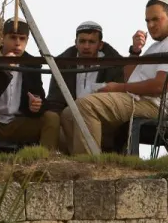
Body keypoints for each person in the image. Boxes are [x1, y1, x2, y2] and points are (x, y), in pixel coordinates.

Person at [62, 0, 168, 155]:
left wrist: (119, 87)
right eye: (147, 21)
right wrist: (135, 50)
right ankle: (98, 158)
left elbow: (159, 86)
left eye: (156, 19)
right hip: (138, 99)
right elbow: (129, 76)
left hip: (154, 105)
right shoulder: (157, 46)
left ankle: (89, 166)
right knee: (69, 113)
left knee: (86, 105)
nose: (150, 25)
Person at [0, 19, 60, 152]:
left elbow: (41, 99)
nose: (17, 43)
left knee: (51, 118)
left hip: (19, 121)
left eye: (22, 39)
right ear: (2, 38)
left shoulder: (32, 63)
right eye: (13, 38)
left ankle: (44, 163)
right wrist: (5, 72)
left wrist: (36, 105)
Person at [45, 20, 127, 150]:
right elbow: (55, 101)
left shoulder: (114, 65)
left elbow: (118, 101)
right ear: (76, 43)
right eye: (82, 41)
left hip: (103, 123)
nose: (86, 46)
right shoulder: (62, 64)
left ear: (100, 45)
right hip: (69, 124)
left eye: (91, 42)